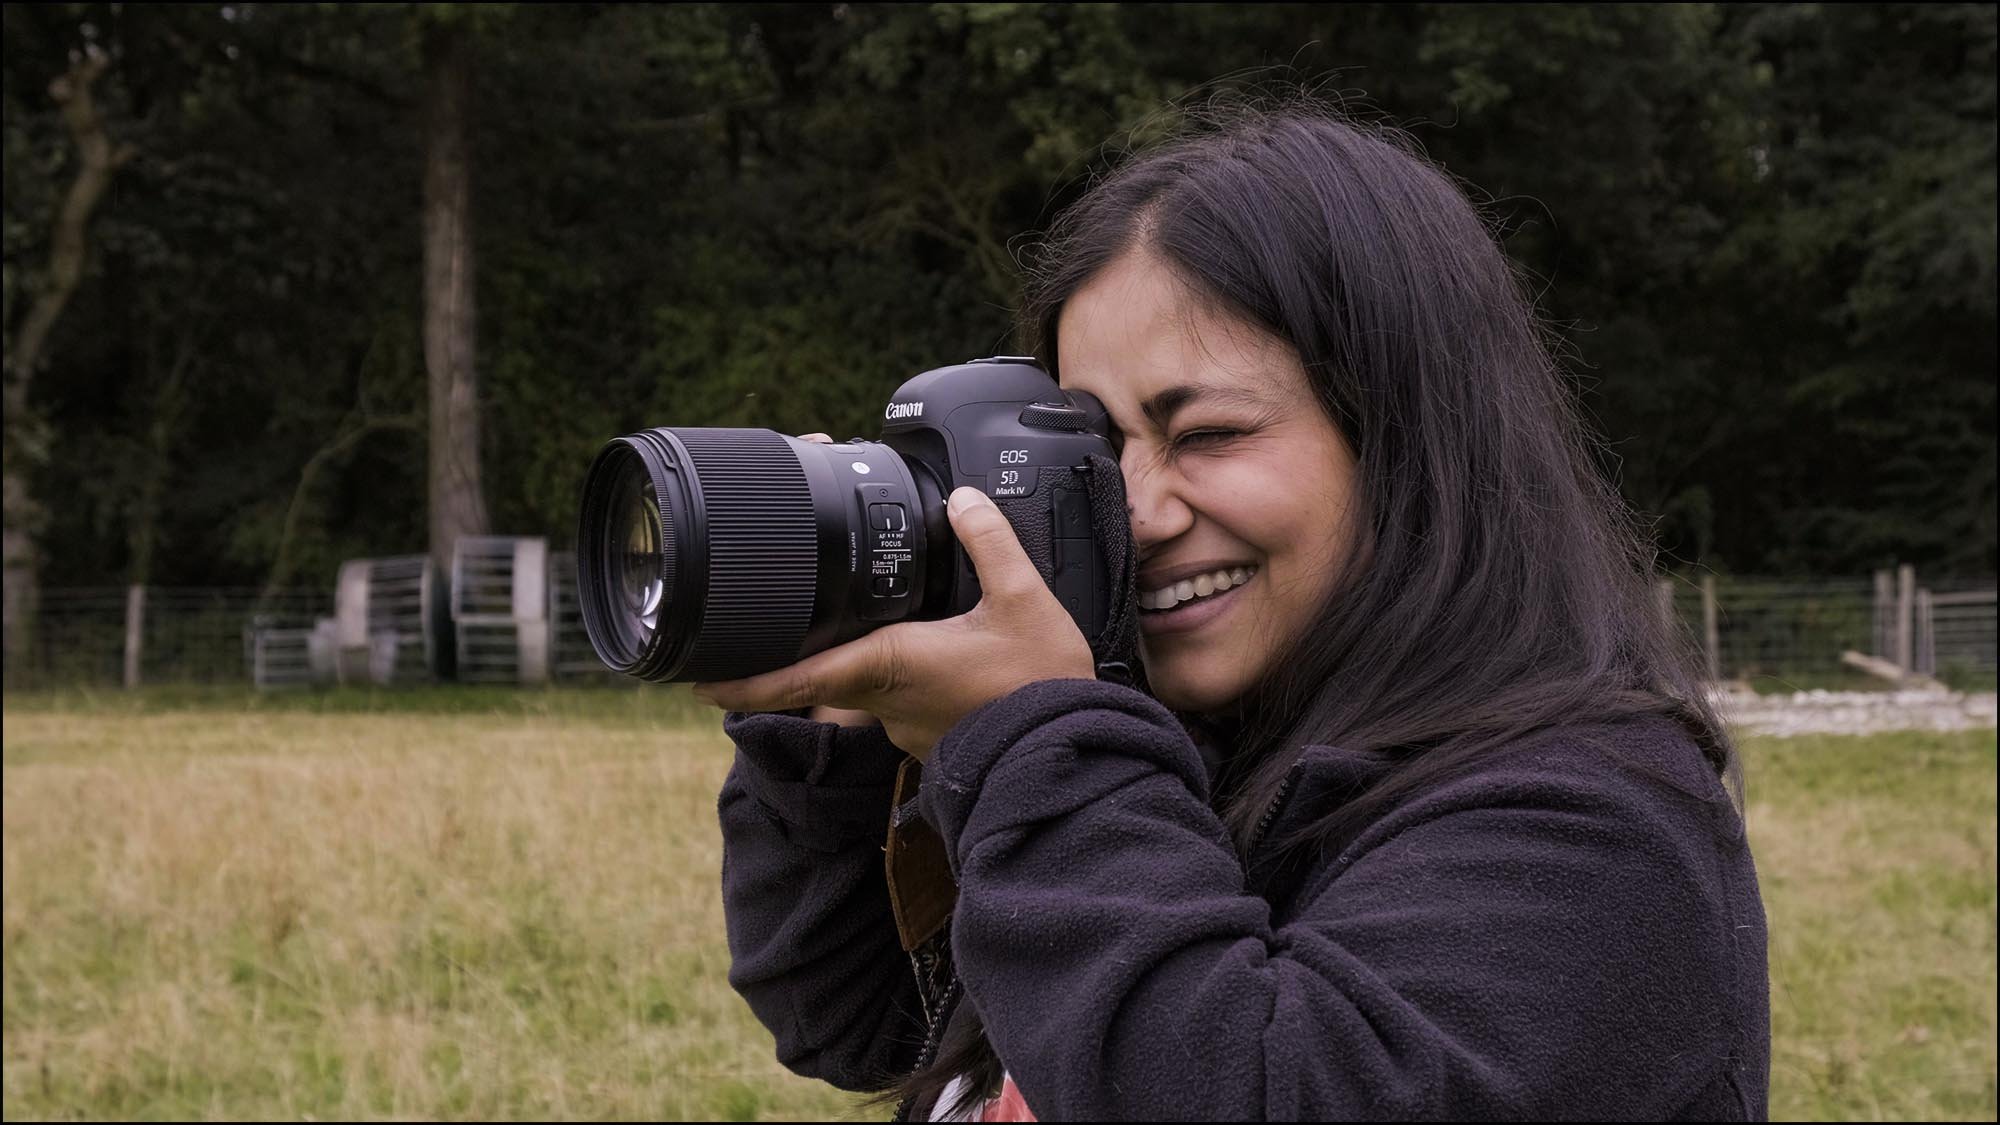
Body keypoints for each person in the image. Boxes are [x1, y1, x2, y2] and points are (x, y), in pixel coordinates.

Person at [696, 101, 1770, 1121]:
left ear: (1406, 444)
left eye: (1206, 434)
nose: (1136, 512)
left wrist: (1032, 742)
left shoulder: (1595, 831)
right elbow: (850, 1018)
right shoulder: (1179, 753)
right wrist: (841, 733)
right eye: (1093, 447)